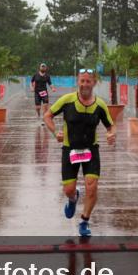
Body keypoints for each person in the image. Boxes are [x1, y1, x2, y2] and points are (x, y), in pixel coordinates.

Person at [43, 69, 115, 237]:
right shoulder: (67, 100)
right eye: (82, 81)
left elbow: (111, 125)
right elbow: (47, 116)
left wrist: (111, 133)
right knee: (68, 189)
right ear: (78, 82)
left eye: (88, 81)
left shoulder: (100, 105)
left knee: (92, 186)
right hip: (70, 150)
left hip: (91, 149)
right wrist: (55, 133)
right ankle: (73, 197)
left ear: (94, 83)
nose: (84, 84)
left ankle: (84, 220)